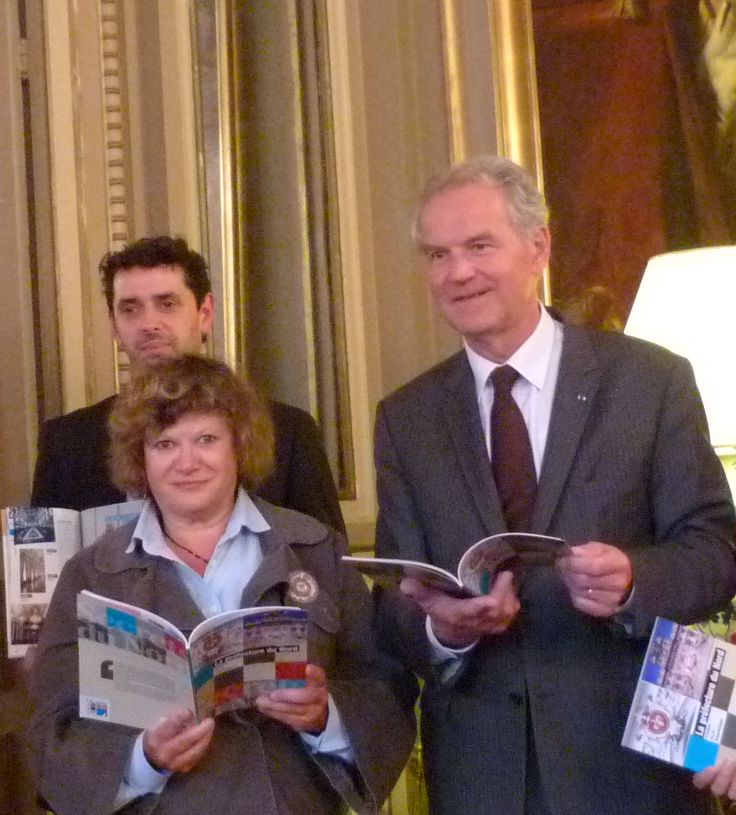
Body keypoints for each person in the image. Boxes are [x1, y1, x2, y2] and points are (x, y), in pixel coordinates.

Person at [373, 155, 736, 814]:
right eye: (437, 254)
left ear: (538, 247)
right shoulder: (407, 418)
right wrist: (446, 630)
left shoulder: (650, 382)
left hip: (632, 768)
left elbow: (716, 552)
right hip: (481, 777)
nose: (457, 272)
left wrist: (633, 579)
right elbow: (396, 605)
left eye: (479, 246)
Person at [28, 355, 416, 815]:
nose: (186, 462)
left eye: (206, 439)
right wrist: (144, 759)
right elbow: (51, 731)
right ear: (140, 458)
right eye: (165, 444)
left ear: (239, 445)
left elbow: (386, 686)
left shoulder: (316, 550)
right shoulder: (92, 575)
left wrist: (324, 715)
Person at [30, 236, 345, 534]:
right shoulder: (66, 443)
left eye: (167, 304)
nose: (149, 324)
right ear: (114, 324)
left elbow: (327, 563)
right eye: (130, 309)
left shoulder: (289, 433)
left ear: (204, 313)